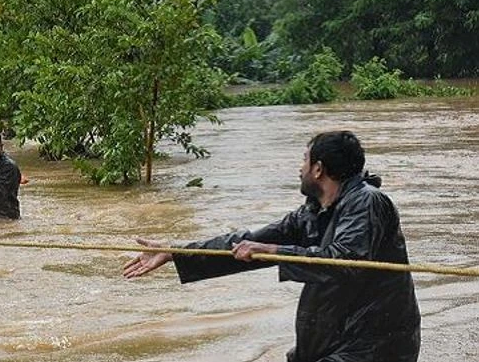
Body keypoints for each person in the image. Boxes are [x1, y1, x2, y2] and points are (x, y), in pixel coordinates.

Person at [123, 131, 421, 362]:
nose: (299, 168)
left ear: (318, 169)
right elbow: (249, 243)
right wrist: (177, 252)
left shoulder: (367, 202)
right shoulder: (314, 211)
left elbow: (345, 262)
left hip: (374, 345)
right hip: (335, 342)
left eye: (303, 160)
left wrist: (275, 252)